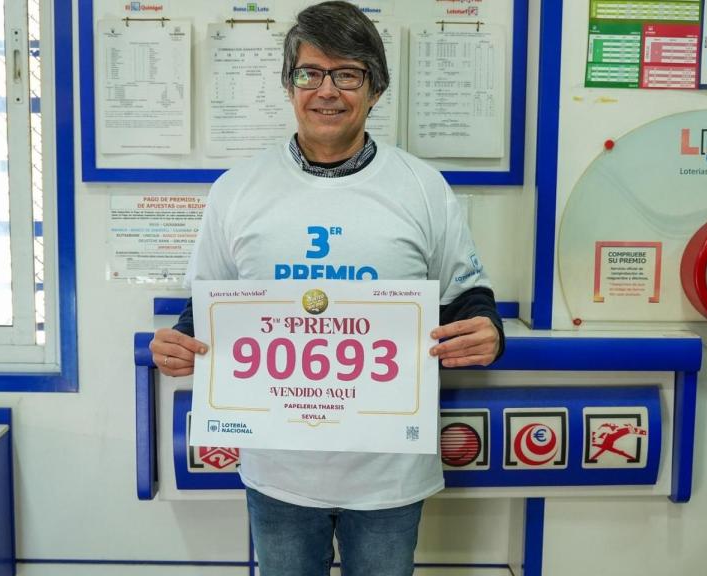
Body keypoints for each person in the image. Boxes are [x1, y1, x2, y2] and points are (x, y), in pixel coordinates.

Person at [150, 2, 504, 574]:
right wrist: (180, 342)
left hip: (390, 471)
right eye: (310, 73)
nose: (327, 91)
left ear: (375, 88)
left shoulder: (424, 187)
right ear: (289, 84)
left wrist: (488, 330)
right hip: (279, 470)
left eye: (348, 74)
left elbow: (467, 294)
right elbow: (209, 308)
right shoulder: (236, 190)